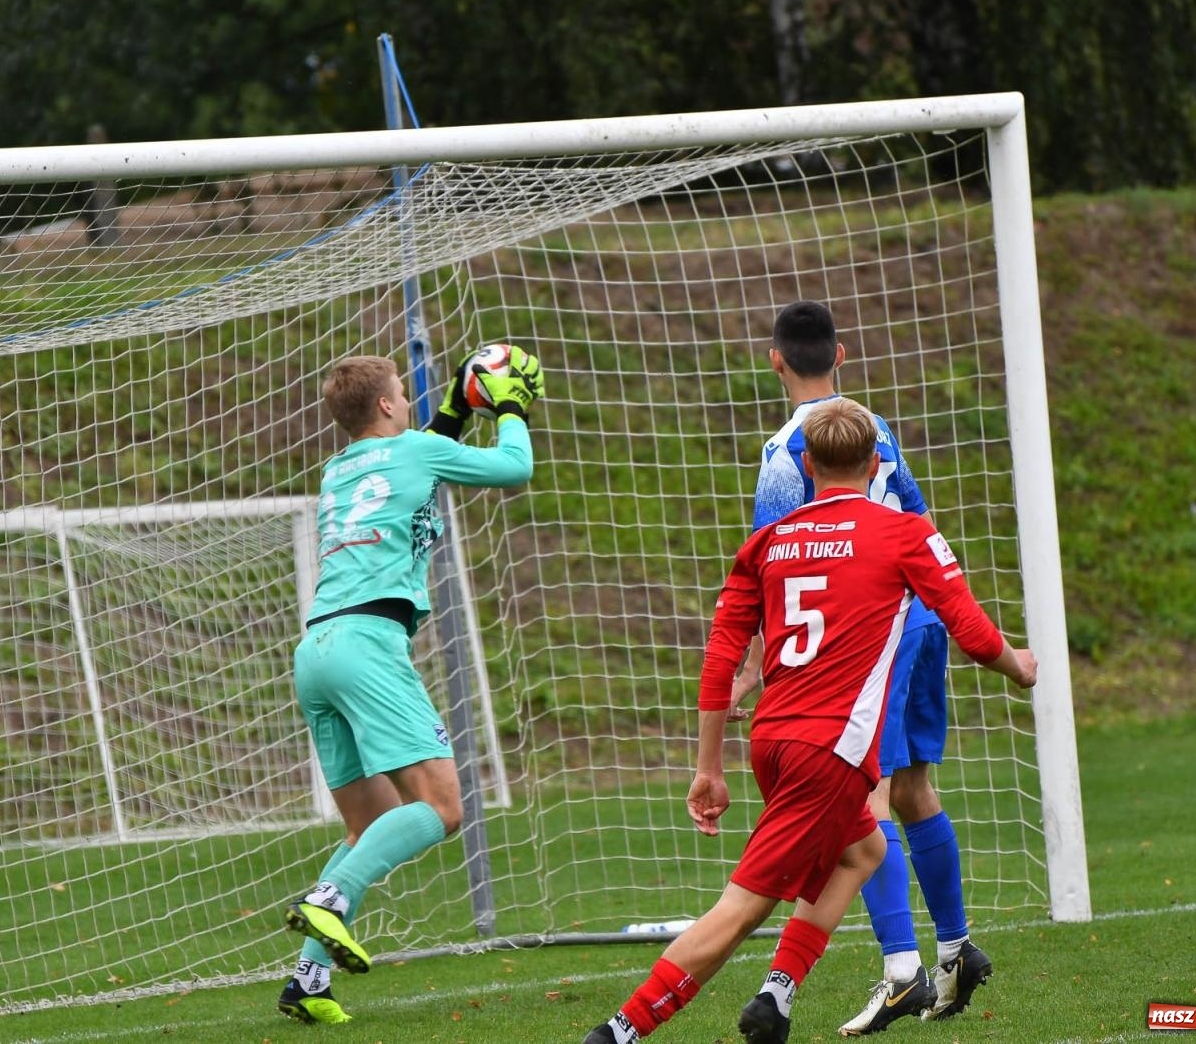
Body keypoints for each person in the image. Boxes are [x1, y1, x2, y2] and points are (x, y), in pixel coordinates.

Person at [581, 397, 1036, 1044]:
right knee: (743, 906)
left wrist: (709, 767)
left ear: (808, 467)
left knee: (864, 849)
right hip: (832, 748)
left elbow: (722, 658)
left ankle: (779, 993)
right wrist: (1019, 666)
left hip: (771, 738)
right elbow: (967, 629)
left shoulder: (766, 542)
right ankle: (621, 1030)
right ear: (877, 462)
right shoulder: (902, 531)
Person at [737, 300, 988, 1032]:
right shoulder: (876, 432)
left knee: (863, 800)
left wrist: (760, 660)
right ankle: (958, 949)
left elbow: (772, 567)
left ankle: (902, 969)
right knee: (911, 790)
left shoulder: (788, 451)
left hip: (864, 636)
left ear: (776, 360)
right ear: (840, 356)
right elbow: (916, 520)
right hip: (919, 613)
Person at [277, 348, 543, 1025]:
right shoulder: (415, 455)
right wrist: (508, 403)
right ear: (390, 405)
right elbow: (516, 468)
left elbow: (420, 452)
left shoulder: (338, 468)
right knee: (444, 807)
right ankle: (331, 898)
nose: (409, 399)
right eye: (404, 391)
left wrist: (457, 404)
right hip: (368, 645)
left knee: (368, 825)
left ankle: (308, 980)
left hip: (316, 650)